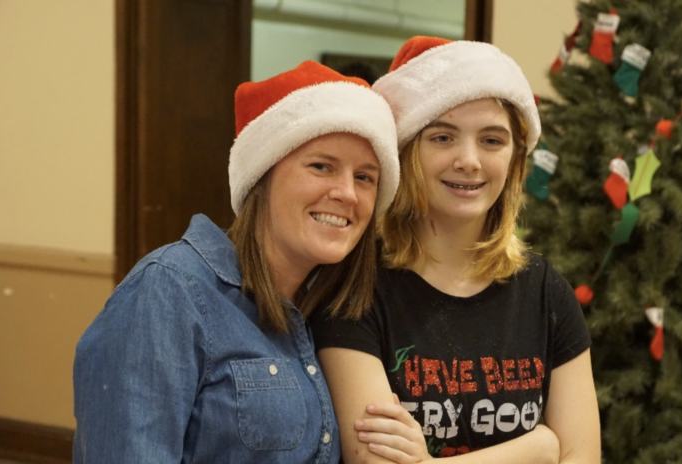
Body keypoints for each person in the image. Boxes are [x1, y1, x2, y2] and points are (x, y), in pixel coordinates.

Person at [73, 61, 400, 464]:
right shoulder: (168, 292)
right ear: (262, 173)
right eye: (321, 166)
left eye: (365, 177)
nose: (348, 193)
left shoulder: (325, 310)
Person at [311, 36, 601, 463]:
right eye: (443, 137)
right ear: (408, 151)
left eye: (492, 140)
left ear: (515, 159)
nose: (469, 160)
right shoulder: (355, 289)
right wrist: (538, 449)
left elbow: (582, 458)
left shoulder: (546, 292)